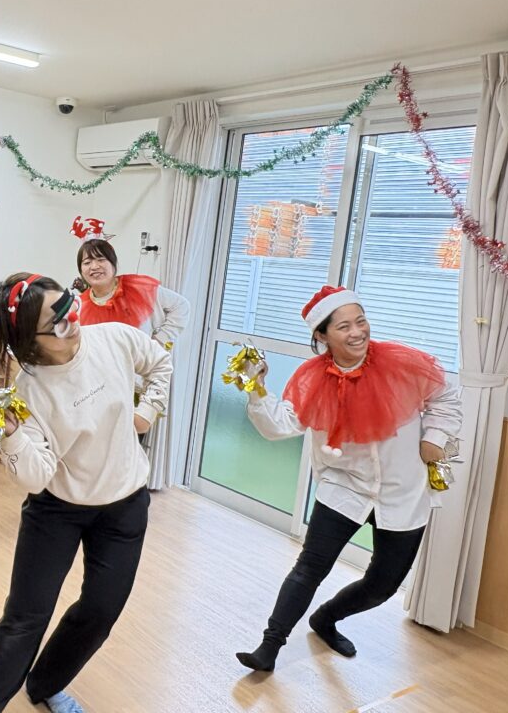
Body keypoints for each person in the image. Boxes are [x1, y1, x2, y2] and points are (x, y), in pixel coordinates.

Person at [0, 273, 172, 713]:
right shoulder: (28, 390)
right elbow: (36, 477)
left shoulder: (115, 338)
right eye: (58, 321)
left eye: (70, 305)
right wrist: (11, 435)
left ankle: (45, 683)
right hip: (56, 510)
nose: (73, 321)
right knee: (25, 618)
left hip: (124, 504)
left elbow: (160, 362)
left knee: (101, 612)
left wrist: (147, 409)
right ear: (31, 339)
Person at [235, 285, 462, 673]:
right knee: (309, 568)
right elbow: (280, 425)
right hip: (344, 485)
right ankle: (268, 647)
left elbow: (446, 398)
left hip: (404, 491)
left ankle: (326, 618)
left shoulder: (403, 364)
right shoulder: (312, 378)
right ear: (322, 335)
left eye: (361, 321)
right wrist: (256, 389)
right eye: (344, 326)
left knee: (382, 585)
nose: (358, 332)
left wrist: (434, 438)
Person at [73, 228, 189, 351]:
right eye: (87, 262)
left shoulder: (138, 288)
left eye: (101, 259)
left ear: (113, 264)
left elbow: (181, 306)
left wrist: (161, 340)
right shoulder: (79, 305)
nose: (94, 266)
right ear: (81, 270)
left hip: (141, 362)